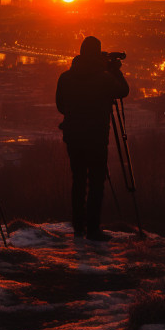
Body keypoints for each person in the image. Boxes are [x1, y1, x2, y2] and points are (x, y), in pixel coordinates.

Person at [56, 36, 129, 242]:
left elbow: (61, 107)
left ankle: (78, 227)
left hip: (73, 136)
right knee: (96, 182)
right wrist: (115, 70)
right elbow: (123, 91)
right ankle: (93, 229)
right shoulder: (104, 78)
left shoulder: (65, 77)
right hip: (97, 137)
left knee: (78, 181)